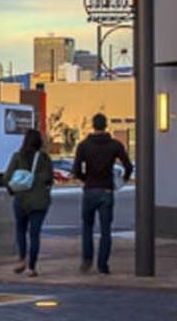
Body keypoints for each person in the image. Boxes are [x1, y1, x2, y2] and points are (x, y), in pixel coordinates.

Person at [72, 112, 133, 274]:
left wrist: (86, 179)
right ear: (106, 125)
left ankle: (87, 260)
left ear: (93, 125)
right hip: (107, 189)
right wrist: (122, 180)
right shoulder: (114, 145)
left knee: (87, 227)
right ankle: (102, 264)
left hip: (90, 189)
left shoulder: (84, 145)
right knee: (106, 230)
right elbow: (128, 165)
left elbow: (76, 170)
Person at [2, 127, 53, 277]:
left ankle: (22, 259)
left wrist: (13, 191)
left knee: (20, 230)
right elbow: (49, 178)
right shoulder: (44, 158)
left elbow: (6, 177)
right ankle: (32, 267)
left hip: (21, 199)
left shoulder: (18, 156)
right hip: (40, 201)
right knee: (35, 234)